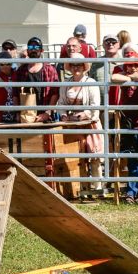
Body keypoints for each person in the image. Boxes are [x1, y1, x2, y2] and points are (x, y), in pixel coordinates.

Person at [57, 54, 104, 196]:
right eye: (73, 65)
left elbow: (96, 106)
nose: (76, 67)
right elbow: (61, 104)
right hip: (73, 125)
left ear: (84, 67)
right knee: (78, 157)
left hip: (90, 125)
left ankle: (98, 188)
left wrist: (84, 114)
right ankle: (82, 188)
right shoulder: (65, 84)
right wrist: (64, 114)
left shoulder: (91, 83)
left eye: (79, 65)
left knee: (94, 155)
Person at [111, 52, 138, 204]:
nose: (133, 67)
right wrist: (130, 76)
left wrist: (129, 76)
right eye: (130, 65)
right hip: (128, 121)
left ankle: (132, 192)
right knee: (132, 156)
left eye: (136, 65)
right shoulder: (121, 73)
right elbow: (113, 78)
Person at [15, 36, 60, 122]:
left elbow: (55, 93)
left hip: (45, 117)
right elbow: (15, 94)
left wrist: (47, 113)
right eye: (31, 47)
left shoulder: (49, 69)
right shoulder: (21, 70)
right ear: (27, 51)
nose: (33, 49)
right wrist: (17, 113)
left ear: (42, 50)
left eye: (36, 47)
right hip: (25, 116)